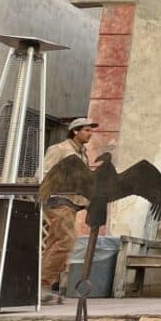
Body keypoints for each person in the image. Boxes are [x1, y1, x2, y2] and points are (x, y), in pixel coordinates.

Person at [40, 117, 99, 304]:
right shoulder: (59, 149)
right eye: (87, 130)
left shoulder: (82, 154)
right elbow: (45, 172)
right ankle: (42, 285)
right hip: (59, 200)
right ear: (75, 131)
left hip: (71, 203)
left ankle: (41, 287)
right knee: (66, 240)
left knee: (56, 242)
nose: (91, 134)